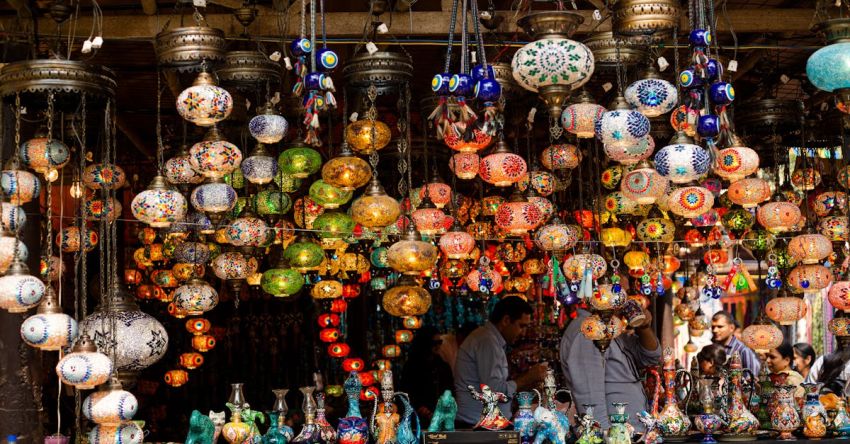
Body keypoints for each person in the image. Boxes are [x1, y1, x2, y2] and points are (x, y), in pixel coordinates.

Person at [560, 306, 661, 431]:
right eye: (617, 288)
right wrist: (606, 437)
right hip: (615, 436)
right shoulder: (589, 330)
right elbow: (592, 405)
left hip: (629, 433)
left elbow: (651, 357)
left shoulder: (611, 328)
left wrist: (643, 327)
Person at [454, 297, 548, 428]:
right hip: (478, 425)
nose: (523, 332)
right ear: (506, 320)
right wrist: (528, 378)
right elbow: (493, 390)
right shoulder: (487, 341)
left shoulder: (491, 340)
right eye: (521, 326)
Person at [400, 326, 454, 422]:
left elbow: (449, 389)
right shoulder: (413, 366)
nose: (438, 346)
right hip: (419, 418)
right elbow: (407, 392)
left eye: (439, 342)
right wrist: (422, 409)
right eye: (434, 343)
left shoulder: (442, 365)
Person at [710, 311, 761, 375]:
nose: (715, 330)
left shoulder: (742, 350)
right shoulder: (712, 348)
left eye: (720, 327)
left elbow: (751, 379)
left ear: (731, 328)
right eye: (713, 327)